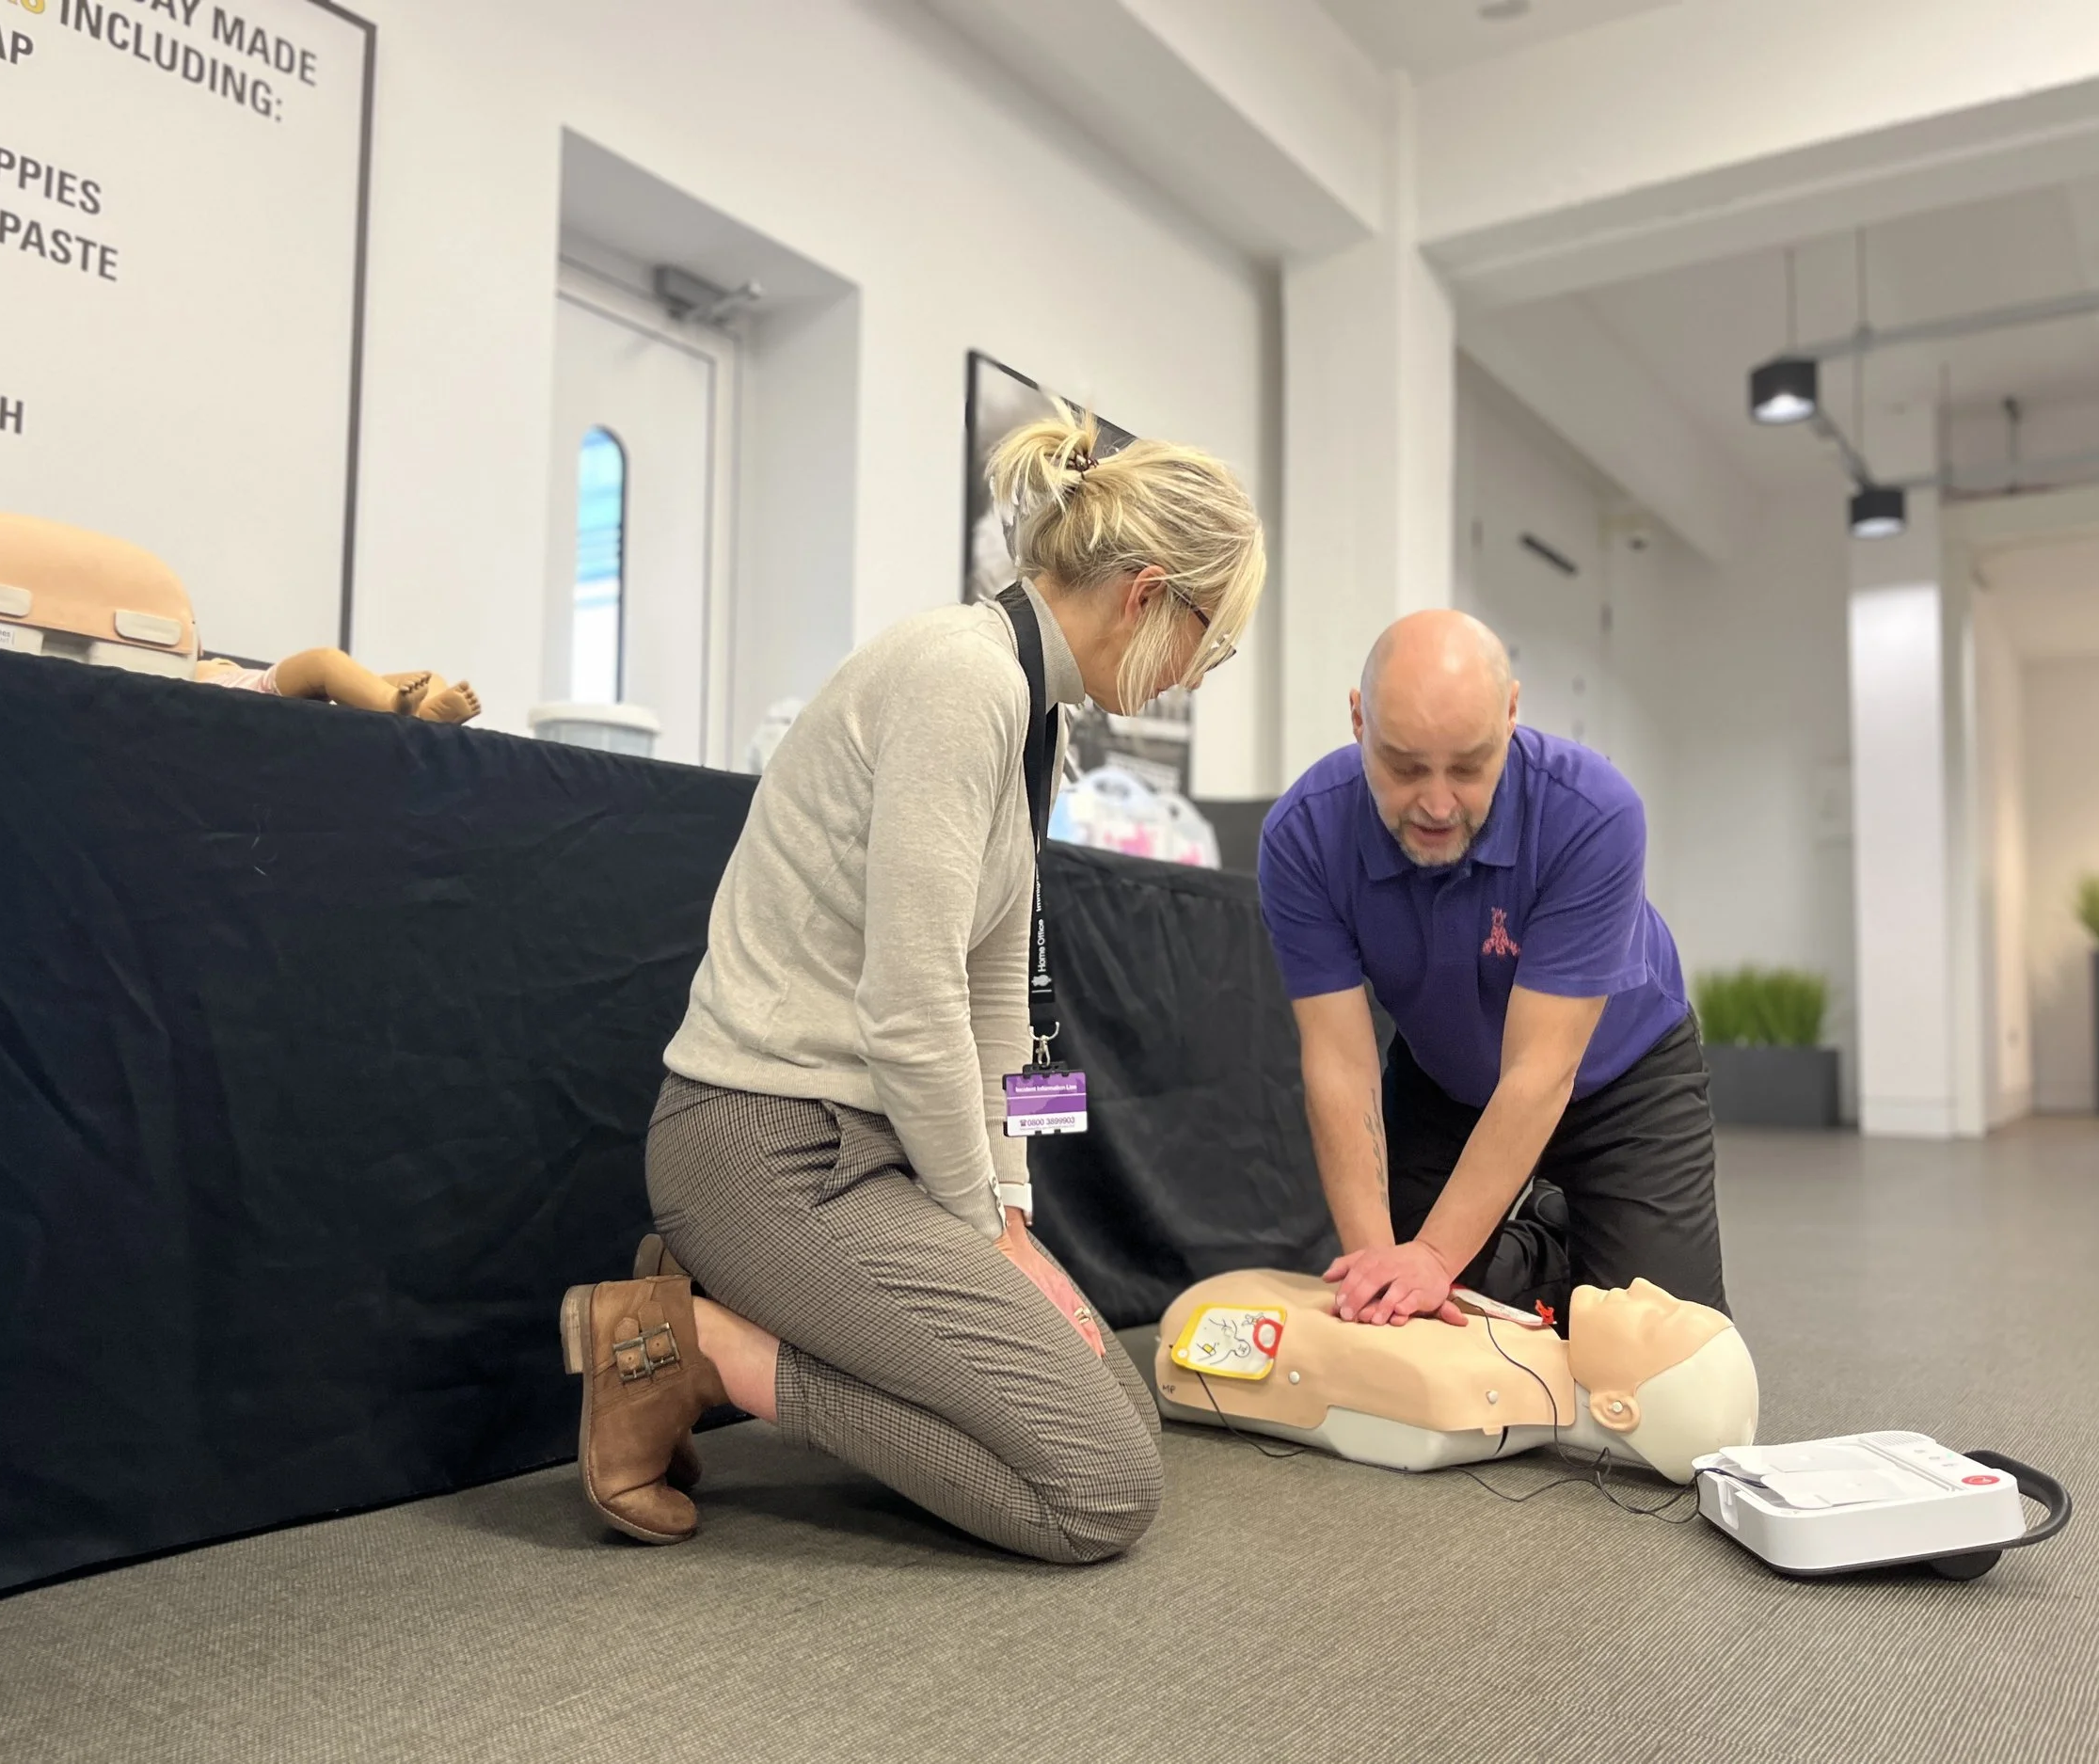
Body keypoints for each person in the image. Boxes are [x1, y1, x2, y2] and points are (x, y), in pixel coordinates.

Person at [560, 410, 1266, 1560]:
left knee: (1111, 1417)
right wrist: (979, 1237)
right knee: (1099, 1492)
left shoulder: (1033, 711)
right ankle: (693, 1349)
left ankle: (717, 1327)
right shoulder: (960, 678)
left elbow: (994, 1001)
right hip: (765, 1149)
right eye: (1210, 640)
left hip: (866, 1154)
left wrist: (1012, 1216)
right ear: (1146, 596)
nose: (1196, 673)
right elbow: (909, 1005)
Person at [1257, 610, 1727, 1334]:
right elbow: (1340, 1063)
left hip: (1621, 1076)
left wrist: (1436, 1252)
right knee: (1418, 1313)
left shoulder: (1594, 813)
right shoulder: (1304, 836)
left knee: (1669, 1360)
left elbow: (1541, 1071)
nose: (1438, 804)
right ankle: (1540, 1241)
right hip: (1444, 1079)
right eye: (1406, 767)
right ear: (1359, 721)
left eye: (1469, 767)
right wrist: (1382, 1270)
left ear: (1511, 715)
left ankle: (1570, 1232)